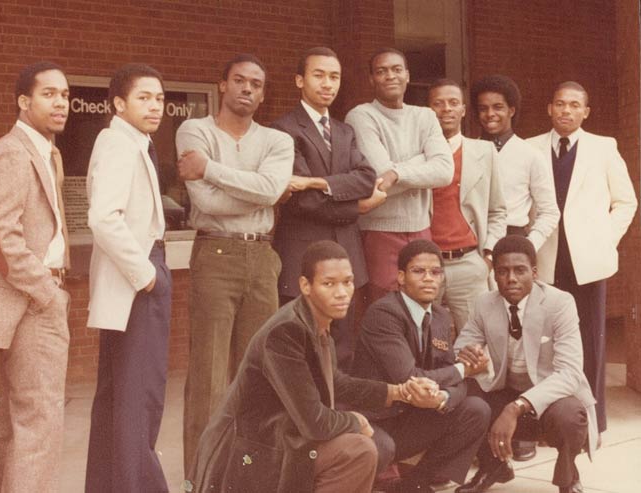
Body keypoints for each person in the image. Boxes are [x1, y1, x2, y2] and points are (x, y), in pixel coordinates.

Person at [186, 240, 425, 493]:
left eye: (347, 282)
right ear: (305, 285)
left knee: (370, 445)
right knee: (360, 449)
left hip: (281, 439)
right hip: (249, 452)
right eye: (329, 284)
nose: (342, 292)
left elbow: (337, 382)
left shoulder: (316, 322)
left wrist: (399, 392)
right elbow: (314, 423)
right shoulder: (286, 331)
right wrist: (356, 420)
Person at [175, 54, 293, 472]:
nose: (247, 88)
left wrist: (209, 168)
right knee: (209, 376)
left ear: (263, 93)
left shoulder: (277, 140)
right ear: (222, 85)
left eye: (256, 84)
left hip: (262, 256)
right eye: (239, 80)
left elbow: (273, 187)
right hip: (216, 253)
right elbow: (205, 200)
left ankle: (247, 473)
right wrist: (260, 191)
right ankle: (201, 475)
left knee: (258, 371)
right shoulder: (195, 129)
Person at [0, 61, 71, 492]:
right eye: (49, 94)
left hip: (37, 297)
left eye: (65, 95)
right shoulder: (12, 151)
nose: (61, 103)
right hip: (32, 300)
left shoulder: (48, 152)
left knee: (19, 422)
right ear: (23, 101)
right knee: (39, 421)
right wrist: (46, 291)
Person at [527, 81, 637, 434]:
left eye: (575, 105)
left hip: (587, 263)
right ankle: (549, 422)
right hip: (545, 260)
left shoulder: (604, 148)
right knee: (545, 345)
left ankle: (591, 421)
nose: (566, 111)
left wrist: (605, 239)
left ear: (585, 112)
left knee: (589, 343)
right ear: (549, 108)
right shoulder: (531, 149)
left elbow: (626, 202)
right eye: (560, 104)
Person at [84, 63, 172, 492]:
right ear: (119, 103)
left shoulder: (132, 141)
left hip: (134, 281)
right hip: (137, 281)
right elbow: (103, 218)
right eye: (144, 97)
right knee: (140, 399)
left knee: (120, 399)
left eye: (159, 98)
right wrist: (146, 275)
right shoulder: (119, 143)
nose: (155, 106)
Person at [454, 235, 598, 493]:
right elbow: (461, 347)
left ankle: (568, 476)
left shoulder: (559, 303)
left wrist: (516, 407)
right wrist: (470, 354)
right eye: (503, 271)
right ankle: (493, 467)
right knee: (464, 398)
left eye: (519, 270)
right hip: (505, 389)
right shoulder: (484, 303)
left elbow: (569, 373)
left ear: (534, 272)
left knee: (570, 416)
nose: (511, 279)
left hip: (551, 396)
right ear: (494, 275)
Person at [272, 46, 381, 370]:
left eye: (334, 76)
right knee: (303, 352)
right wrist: (358, 208)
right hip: (302, 257)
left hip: (345, 253)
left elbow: (366, 177)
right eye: (318, 75)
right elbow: (301, 201)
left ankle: (340, 417)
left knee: (343, 349)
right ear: (299, 80)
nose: (327, 83)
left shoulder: (345, 131)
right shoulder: (283, 130)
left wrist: (318, 183)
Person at [353, 240, 490, 492]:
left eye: (435, 272)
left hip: (412, 415)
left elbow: (454, 380)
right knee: (382, 449)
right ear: (401, 277)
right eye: (419, 271)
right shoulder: (384, 313)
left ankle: (416, 482)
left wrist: (443, 398)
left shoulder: (440, 316)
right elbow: (410, 377)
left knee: (476, 409)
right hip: (377, 419)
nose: (429, 279)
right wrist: (463, 369)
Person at [345, 47, 453, 303]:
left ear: (407, 75)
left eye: (396, 70)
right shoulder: (361, 116)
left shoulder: (425, 116)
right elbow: (382, 182)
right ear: (371, 79)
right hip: (379, 233)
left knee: (424, 304)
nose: (390, 76)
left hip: (421, 230)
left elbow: (445, 171)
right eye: (381, 72)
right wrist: (421, 163)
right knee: (385, 306)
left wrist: (398, 171)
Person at [427, 79, 507, 333]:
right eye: (438, 104)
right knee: (424, 343)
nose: (446, 109)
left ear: (463, 109)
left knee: (476, 345)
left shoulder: (484, 152)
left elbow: (497, 209)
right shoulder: (417, 154)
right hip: (427, 263)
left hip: (469, 263)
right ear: (428, 111)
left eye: (453, 103)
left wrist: (489, 256)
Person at [470, 74, 559, 251]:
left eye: (498, 107)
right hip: (472, 244)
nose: (490, 114)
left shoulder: (530, 155)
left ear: (511, 110)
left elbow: (550, 211)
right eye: (483, 108)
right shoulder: (468, 151)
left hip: (512, 243)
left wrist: (528, 246)